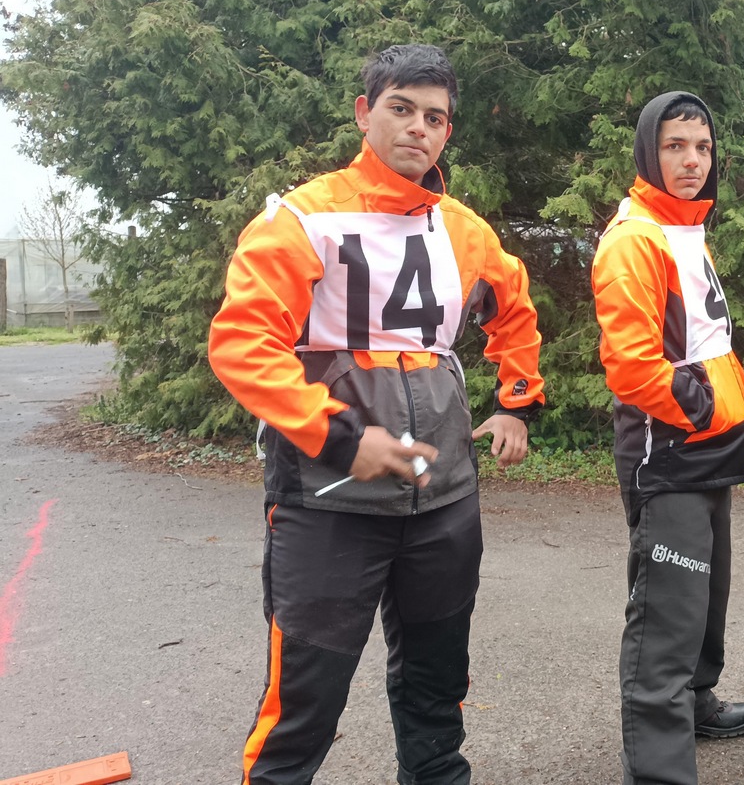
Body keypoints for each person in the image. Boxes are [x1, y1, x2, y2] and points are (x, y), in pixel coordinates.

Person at [209, 44, 545, 785]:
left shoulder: (465, 229)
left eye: (435, 117)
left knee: (437, 679)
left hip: (443, 497)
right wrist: (336, 436)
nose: (419, 128)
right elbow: (242, 343)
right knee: (305, 697)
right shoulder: (304, 217)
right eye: (401, 109)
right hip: (328, 498)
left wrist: (517, 402)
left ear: (447, 131)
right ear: (365, 114)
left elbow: (514, 310)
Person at [590, 91, 744, 785]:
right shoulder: (635, 237)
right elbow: (633, 368)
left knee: (706, 594)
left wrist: (720, 412)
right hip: (668, 449)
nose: (692, 161)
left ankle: (696, 701)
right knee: (668, 609)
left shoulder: (684, 225)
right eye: (675, 147)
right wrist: (703, 408)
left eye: (703, 148)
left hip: (709, 443)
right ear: (647, 152)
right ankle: (659, 768)